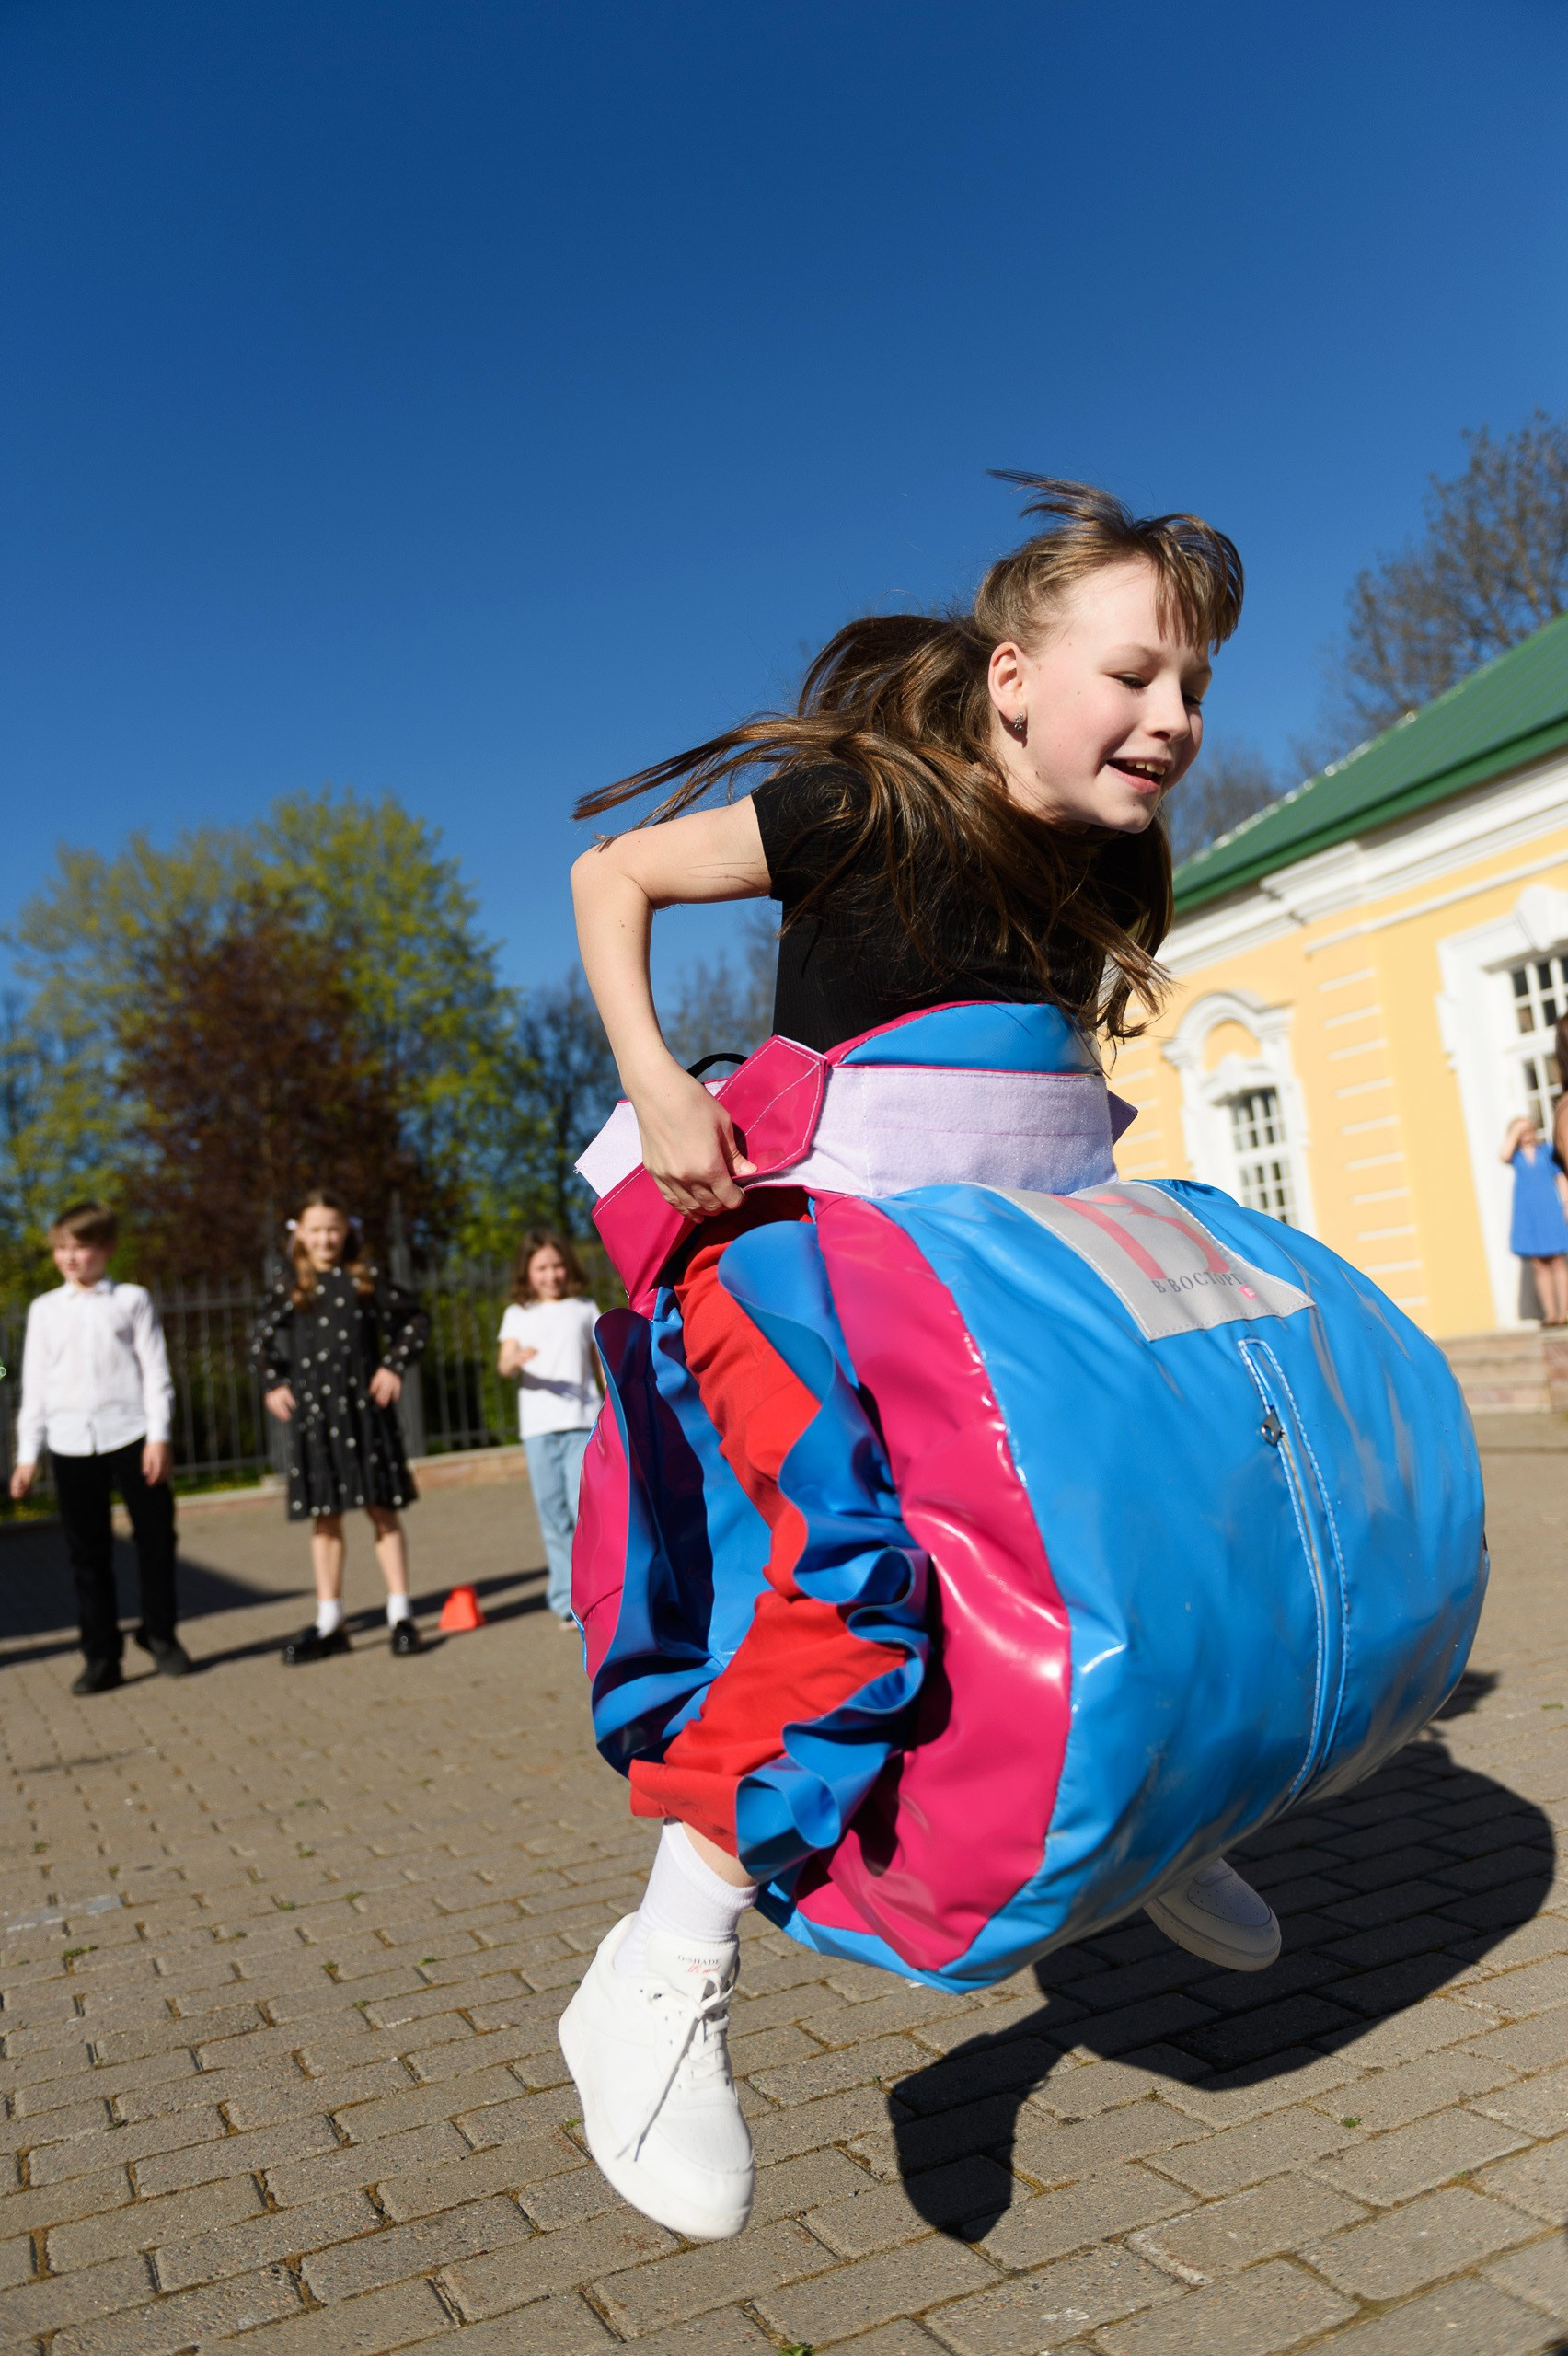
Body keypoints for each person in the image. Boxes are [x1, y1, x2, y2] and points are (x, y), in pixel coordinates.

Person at [558, 479, 1287, 2240]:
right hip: (794, 1260)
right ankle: (653, 1979)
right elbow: (610, 871)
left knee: (1163, 1511)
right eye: (1137, 677)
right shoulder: (861, 800)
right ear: (1015, 673)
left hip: (997, 1274)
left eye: (1191, 687)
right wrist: (660, 1082)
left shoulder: (1115, 850)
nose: (1174, 721)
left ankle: (1150, 1820)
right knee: (853, 1598)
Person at [9, 1199, 190, 1694]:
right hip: (71, 1444)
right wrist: (28, 1453)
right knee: (87, 1553)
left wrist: (159, 1435)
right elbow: (35, 1384)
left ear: (106, 1248)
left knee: (156, 1539)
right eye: (61, 1249)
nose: (70, 1258)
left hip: (131, 1436)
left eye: (81, 1247)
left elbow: (156, 1371)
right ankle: (101, 1656)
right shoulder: (45, 1310)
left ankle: (160, 1634)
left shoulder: (131, 1300)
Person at [250, 1191, 430, 1661]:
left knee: (382, 1509)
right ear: (300, 1235)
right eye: (315, 1230)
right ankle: (331, 1620)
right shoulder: (291, 1284)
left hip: (365, 1411)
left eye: (332, 1228)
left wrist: (392, 1365)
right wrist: (273, 1382)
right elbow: (259, 1338)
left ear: (346, 1231)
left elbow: (414, 1321)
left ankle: (401, 1614)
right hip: (316, 1416)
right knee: (324, 1518)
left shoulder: (368, 1279)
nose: (324, 1238)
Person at [496, 1228, 601, 1625]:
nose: (551, 1275)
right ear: (527, 1271)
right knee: (553, 1514)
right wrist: (517, 1357)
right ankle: (564, 1601)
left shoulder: (584, 1307)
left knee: (583, 1511)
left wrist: (615, 1401)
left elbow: (599, 1365)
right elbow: (504, 1365)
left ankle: (594, 1594)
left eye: (557, 1266)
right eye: (542, 1268)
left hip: (581, 1424)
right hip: (539, 1430)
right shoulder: (517, 1314)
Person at [1502, 1114, 1568, 1325]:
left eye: (1529, 1131)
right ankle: (1550, 1314)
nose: (1527, 1136)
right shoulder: (1515, 1156)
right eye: (1523, 1133)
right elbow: (1503, 1155)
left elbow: (1560, 1178)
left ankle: (1564, 1311)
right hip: (1528, 1215)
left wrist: (1566, 1204)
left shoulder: (1547, 1151)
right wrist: (1516, 1129)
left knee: (1558, 1261)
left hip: (1550, 1211)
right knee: (1539, 1265)